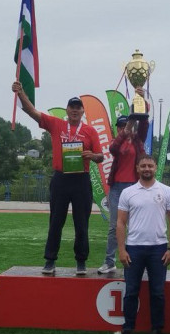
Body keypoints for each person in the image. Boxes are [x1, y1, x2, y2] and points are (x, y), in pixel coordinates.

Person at [12, 80, 104, 275]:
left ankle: (81, 262)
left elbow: (101, 157)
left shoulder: (90, 131)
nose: (75, 110)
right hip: (61, 179)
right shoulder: (56, 124)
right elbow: (32, 112)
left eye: (78, 108)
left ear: (83, 111)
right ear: (67, 109)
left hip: (81, 180)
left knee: (82, 223)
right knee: (55, 221)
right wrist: (20, 93)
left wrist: (92, 155)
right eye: (72, 107)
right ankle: (50, 260)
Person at [116, 154, 170, 334]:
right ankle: (128, 328)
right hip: (133, 248)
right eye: (143, 166)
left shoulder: (166, 191)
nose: (147, 169)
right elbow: (120, 223)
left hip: (158, 249)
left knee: (158, 292)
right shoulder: (128, 192)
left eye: (150, 166)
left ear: (155, 168)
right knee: (131, 291)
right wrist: (122, 250)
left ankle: (157, 329)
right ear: (137, 168)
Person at [99, 97, 150, 274]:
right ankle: (109, 261)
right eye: (120, 126)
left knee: (136, 226)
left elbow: (144, 123)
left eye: (126, 125)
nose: (123, 128)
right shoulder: (116, 142)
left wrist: (140, 98)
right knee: (115, 226)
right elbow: (112, 150)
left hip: (135, 187)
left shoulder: (138, 140)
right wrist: (127, 127)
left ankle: (135, 261)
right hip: (117, 188)